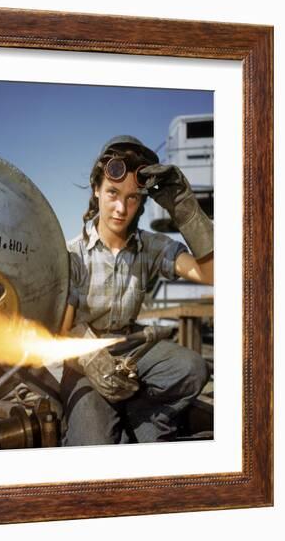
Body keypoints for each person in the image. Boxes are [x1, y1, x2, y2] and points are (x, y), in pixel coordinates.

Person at [60, 135, 213, 446]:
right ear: (97, 190)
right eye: (113, 193)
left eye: (132, 198)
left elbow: (213, 273)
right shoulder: (72, 254)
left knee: (191, 368)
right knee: (93, 444)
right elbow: (63, 332)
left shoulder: (152, 247)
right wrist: (90, 359)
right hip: (82, 358)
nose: (121, 208)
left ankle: (143, 419)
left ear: (142, 202)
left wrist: (183, 206)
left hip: (131, 350)